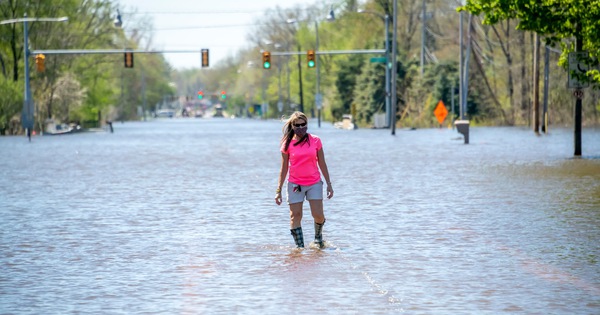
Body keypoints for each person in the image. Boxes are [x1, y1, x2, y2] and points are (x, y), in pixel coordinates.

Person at [275, 111, 334, 248]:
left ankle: (318, 239)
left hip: (314, 183)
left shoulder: (315, 140)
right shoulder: (287, 143)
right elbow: (283, 169)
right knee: (295, 216)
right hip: (295, 184)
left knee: (318, 215)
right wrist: (278, 190)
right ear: (292, 126)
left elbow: (322, 163)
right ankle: (299, 248)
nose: (301, 127)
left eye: (304, 124)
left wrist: (329, 184)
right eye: (298, 125)